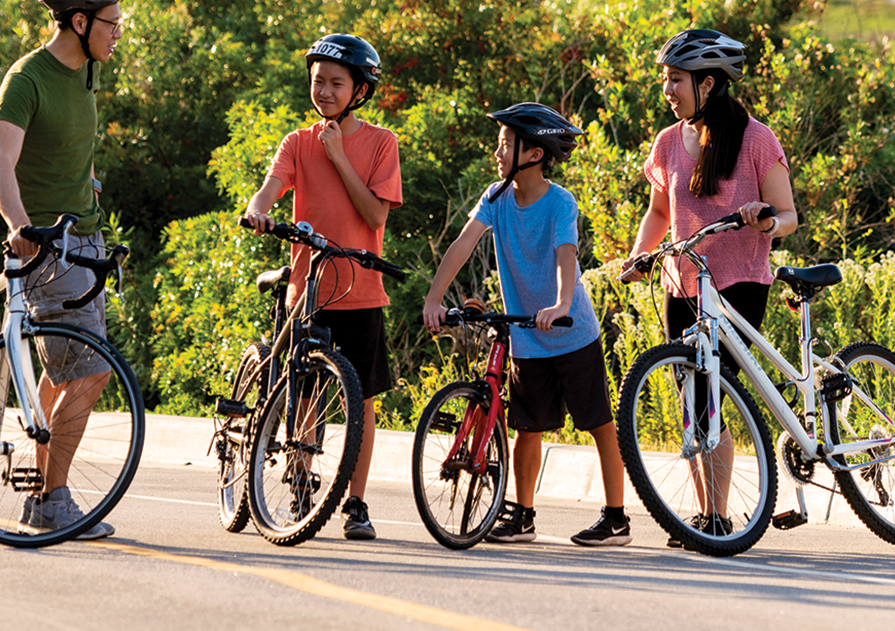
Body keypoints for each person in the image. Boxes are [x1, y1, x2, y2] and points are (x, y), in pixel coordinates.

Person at [421, 103, 631, 547]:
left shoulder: (559, 202)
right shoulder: (496, 198)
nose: (497, 152)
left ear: (534, 153)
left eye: (505, 144)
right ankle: (523, 516)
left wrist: (559, 303)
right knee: (526, 429)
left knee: (598, 424)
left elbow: (565, 255)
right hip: (527, 335)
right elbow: (462, 244)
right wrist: (434, 298)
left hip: (571, 331)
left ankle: (616, 518)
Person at [618, 28, 799, 544]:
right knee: (692, 400)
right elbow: (658, 211)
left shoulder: (757, 139)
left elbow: (788, 216)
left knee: (713, 393)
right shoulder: (668, 142)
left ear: (709, 83)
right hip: (683, 285)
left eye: (676, 79)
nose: (667, 90)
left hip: (739, 283)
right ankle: (702, 515)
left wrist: (766, 221)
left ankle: (717, 517)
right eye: (667, 79)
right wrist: (639, 257)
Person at [242, 33, 402, 541]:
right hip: (307, 289)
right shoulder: (297, 141)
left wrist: (338, 157)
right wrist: (258, 211)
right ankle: (303, 482)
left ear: (360, 90)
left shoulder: (380, 143)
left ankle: (356, 502)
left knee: (362, 400)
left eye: (336, 83)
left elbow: (375, 213)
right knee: (305, 393)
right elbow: (269, 189)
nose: (325, 92)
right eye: (318, 82)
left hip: (360, 291)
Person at [0, 0, 126, 540]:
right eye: (111, 23)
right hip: (46, 246)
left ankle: (40, 492)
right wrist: (21, 226)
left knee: (64, 369)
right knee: (91, 372)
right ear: (77, 21)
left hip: (84, 240)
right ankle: (53, 501)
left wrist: (88, 184)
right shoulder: (29, 79)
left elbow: (77, 145)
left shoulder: (88, 73)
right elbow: (0, 163)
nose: (119, 32)